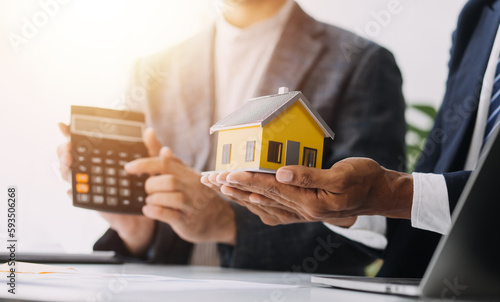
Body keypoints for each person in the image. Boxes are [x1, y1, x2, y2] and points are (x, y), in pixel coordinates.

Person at [58, 0, 406, 274]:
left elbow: (371, 231)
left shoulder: (362, 63)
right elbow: (154, 239)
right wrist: (138, 231)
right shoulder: (153, 69)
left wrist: (228, 224)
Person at [204, 0, 500, 277]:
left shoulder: (363, 59)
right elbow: (431, 188)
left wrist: (395, 195)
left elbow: (403, 197)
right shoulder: (479, 14)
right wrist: (363, 208)